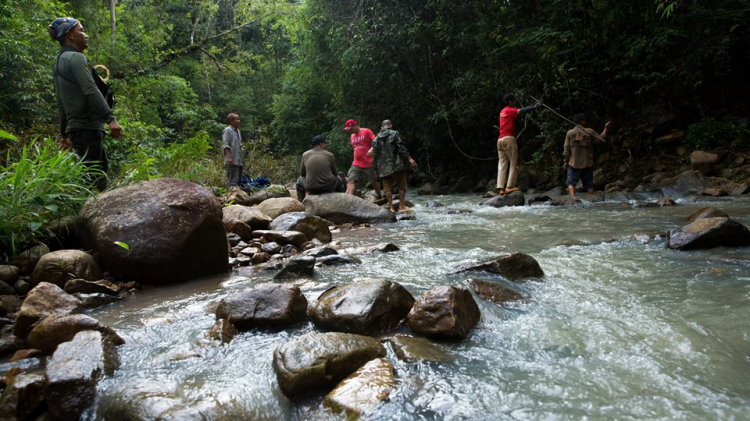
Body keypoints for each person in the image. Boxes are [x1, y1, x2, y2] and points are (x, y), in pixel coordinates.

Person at [49, 17, 122, 191]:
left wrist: (63, 133)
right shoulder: (76, 58)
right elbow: (90, 91)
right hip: (87, 129)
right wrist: (110, 118)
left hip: (76, 130)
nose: (85, 35)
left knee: (87, 178)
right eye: (81, 30)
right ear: (70, 35)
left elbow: (61, 101)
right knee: (96, 181)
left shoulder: (60, 61)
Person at [496, 93, 541, 195]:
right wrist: (535, 107)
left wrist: (532, 105)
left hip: (500, 140)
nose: (516, 101)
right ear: (510, 101)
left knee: (502, 165)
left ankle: (501, 188)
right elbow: (521, 111)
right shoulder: (510, 111)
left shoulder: (503, 111)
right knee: (513, 164)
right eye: (514, 100)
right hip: (508, 139)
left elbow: (520, 109)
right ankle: (509, 187)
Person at [371, 120, 417, 213]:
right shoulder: (395, 133)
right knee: (402, 186)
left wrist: (375, 168)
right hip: (397, 165)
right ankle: (401, 206)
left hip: (383, 168)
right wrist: (410, 159)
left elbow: (375, 155)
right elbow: (401, 148)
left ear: (381, 127)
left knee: (387, 189)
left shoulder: (375, 139)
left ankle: (391, 207)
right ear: (391, 125)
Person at [563, 113, 611, 198]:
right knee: (589, 185)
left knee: (571, 183)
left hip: (574, 164)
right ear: (583, 121)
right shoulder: (589, 132)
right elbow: (600, 140)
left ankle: (573, 199)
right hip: (587, 164)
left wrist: (565, 162)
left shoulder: (570, 133)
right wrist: (605, 129)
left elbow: (566, 149)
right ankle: (591, 200)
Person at [296, 135, 345, 201]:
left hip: (311, 188)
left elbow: (302, 174)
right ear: (321, 144)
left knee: (299, 180)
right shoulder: (329, 155)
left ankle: (301, 202)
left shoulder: (305, 155)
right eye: (325, 143)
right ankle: (341, 200)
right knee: (340, 178)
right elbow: (335, 173)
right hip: (328, 187)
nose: (326, 145)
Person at [343, 119, 382, 199]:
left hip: (368, 163)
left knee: (373, 182)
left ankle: (380, 196)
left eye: (350, 128)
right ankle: (349, 199)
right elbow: (355, 148)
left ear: (355, 125)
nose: (350, 131)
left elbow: (376, 142)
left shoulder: (366, 131)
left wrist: (371, 150)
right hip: (356, 163)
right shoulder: (352, 136)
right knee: (351, 180)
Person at [222, 113, 243, 187]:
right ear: (231, 121)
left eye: (239, 119)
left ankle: (236, 196)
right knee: (233, 181)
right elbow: (226, 145)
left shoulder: (238, 131)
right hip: (232, 160)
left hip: (238, 161)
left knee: (238, 181)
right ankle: (231, 197)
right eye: (236, 119)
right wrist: (229, 157)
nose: (239, 121)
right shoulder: (227, 131)